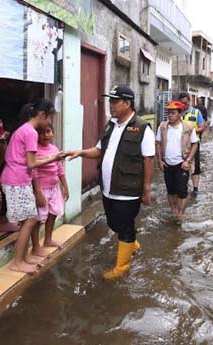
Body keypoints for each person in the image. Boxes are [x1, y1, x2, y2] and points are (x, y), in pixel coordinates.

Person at [67, 85, 155, 279]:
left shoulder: (141, 128)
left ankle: (122, 267)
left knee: (124, 226)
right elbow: (99, 150)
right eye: (110, 101)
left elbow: (149, 160)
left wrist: (146, 190)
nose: (111, 105)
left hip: (128, 189)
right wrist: (80, 152)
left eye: (115, 101)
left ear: (127, 103)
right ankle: (132, 244)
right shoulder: (111, 125)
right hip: (108, 188)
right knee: (114, 224)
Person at [1, 99, 66, 274]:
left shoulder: (24, 130)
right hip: (17, 180)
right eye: (50, 118)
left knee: (27, 220)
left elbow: (28, 160)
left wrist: (53, 158)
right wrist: (53, 158)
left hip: (15, 178)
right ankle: (18, 262)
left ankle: (26, 256)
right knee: (30, 220)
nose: (50, 123)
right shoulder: (30, 133)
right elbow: (31, 163)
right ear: (42, 115)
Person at [156, 101, 199, 224]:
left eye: (173, 113)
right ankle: (173, 209)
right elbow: (158, 143)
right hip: (167, 163)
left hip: (182, 163)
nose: (170, 115)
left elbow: (195, 144)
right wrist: (159, 160)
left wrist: (188, 160)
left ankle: (181, 213)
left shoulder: (188, 128)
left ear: (180, 114)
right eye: (168, 113)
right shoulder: (162, 127)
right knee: (170, 190)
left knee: (182, 191)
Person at [33, 124, 69, 249]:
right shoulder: (35, 150)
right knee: (37, 219)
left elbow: (60, 169)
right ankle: (36, 246)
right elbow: (34, 172)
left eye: (48, 131)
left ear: (52, 133)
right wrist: (38, 192)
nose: (46, 135)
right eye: (42, 132)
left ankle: (48, 239)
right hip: (42, 189)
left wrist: (65, 186)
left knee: (53, 213)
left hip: (54, 188)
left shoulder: (54, 149)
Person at [179, 92, 206, 195]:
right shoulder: (177, 113)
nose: (184, 105)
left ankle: (195, 188)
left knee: (195, 165)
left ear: (190, 101)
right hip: (179, 144)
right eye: (182, 103)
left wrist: (192, 131)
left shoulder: (196, 112)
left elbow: (202, 127)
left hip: (193, 143)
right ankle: (182, 185)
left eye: (185, 103)